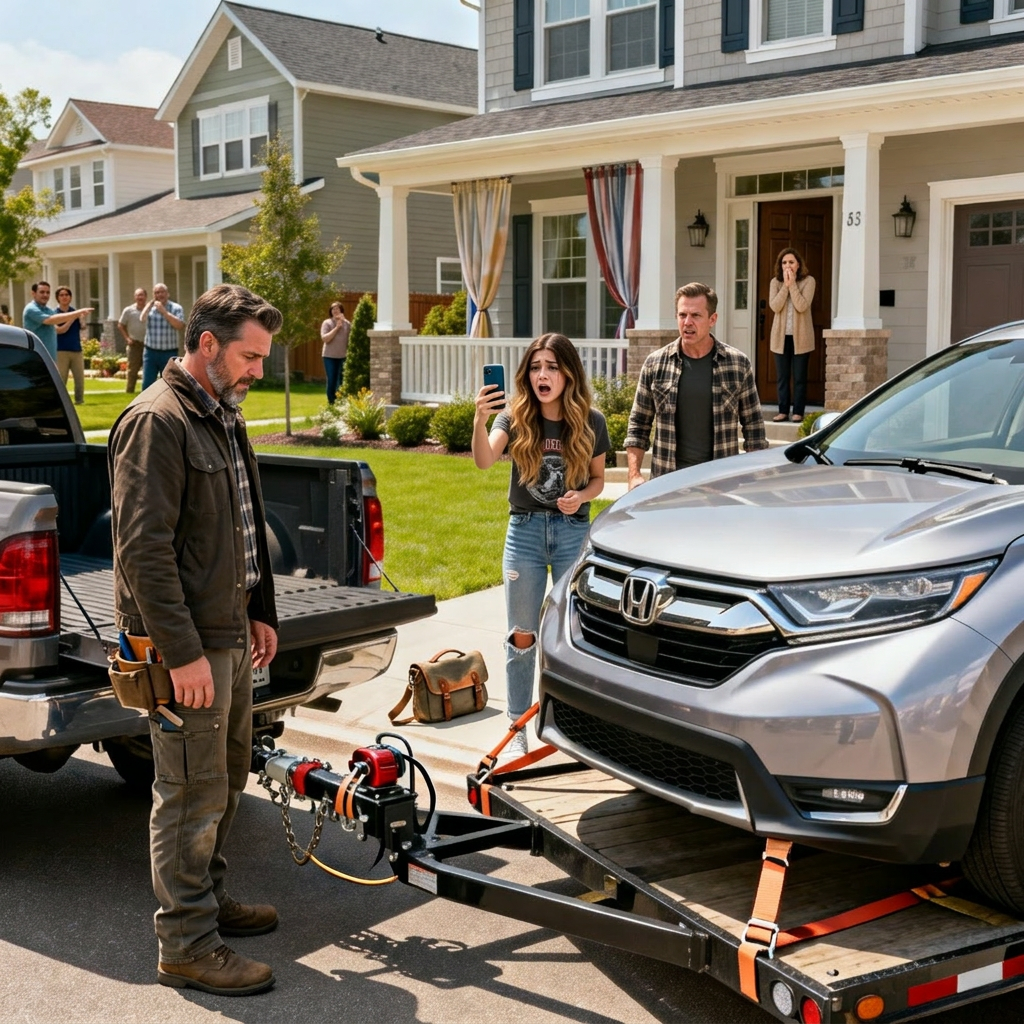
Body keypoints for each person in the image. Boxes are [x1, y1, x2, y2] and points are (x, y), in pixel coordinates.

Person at [108, 283, 284, 996]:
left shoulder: (222, 413)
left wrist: (260, 609)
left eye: (263, 358)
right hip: (187, 643)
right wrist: (181, 654)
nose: (259, 371)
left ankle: (208, 900)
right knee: (189, 791)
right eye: (249, 356)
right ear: (206, 344)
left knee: (228, 776)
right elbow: (143, 550)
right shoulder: (157, 420)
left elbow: (243, 522)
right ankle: (185, 943)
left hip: (229, 628)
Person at [473, 334, 609, 756]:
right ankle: (516, 729)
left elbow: (598, 481)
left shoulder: (592, 421)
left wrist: (580, 496)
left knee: (571, 635)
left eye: (551, 367)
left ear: (568, 373)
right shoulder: (513, 416)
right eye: (535, 367)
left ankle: (572, 726)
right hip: (525, 534)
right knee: (522, 636)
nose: (542, 375)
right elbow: (483, 460)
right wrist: (480, 419)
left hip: (572, 534)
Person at [625, 282, 767, 489]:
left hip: (721, 483)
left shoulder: (737, 364)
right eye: (682, 315)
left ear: (712, 319)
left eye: (696, 315)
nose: (687, 322)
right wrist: (634, 475)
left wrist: (755, 478)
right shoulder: (655, 364)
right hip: (667, 483)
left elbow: (754, 428)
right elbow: (638, 425)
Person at [769, 248, 816, 423]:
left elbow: (802, 306)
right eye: (784, 262)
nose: (787, 265)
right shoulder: (775, 282)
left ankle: (798, 412)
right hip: (780, 338)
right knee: (782, 377)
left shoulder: (809, 281)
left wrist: (793, 284)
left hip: (801, 337)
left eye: (791, 262)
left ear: (798, 265)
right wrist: (785, 286)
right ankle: (782, 411)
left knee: (799, 377)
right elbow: (775, 306)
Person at [22, 281, 93, 362]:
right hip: (36, 358)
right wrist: (77, 313)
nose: (45, 295)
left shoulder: (48, 310)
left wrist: (78, 316)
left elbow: (58, 326)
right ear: (33, 293)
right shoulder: (31, 309)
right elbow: (50, 320)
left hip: (50, 358)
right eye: (42, 292)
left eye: (48, 292)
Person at [140, 282, 185, 390]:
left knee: (169, 385)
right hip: (150, 353)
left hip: (169, 353)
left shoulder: (176, 308)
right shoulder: (150, 308)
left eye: (162, 292)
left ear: (167, 293)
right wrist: (148, 305)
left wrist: (164, 312)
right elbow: (142, 319)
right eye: (157, 293)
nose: (160, 295)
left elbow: (179, 326)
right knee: (147, 384)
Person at [53, 286, 87, 405]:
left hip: (76, 349)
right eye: (61, 295)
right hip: (61, 350)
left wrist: (81, 318)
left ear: (70, 297)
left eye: (67, 295)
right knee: (62, 378)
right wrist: (72, 317)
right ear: (57, 298)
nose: (64, 297)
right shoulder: (54, 314)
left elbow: (83, 327)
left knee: (79, 378)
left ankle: (79, 400)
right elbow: (60, 330)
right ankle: (60, 402)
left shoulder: (75, 312)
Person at [118, 288, 148, 393]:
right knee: (132, 370)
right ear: (135, 297)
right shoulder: (128, 310)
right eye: (138, 295)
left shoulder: (150, 310)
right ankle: (130, 390)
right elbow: (120, 325)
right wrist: (127, 338)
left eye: (142, 295)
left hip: (148, 344)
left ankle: (147, 391)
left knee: (148, 370)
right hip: (134, 344)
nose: (140, 297)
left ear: (146, 297)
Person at [321, 301, 350, 404]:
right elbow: (325, 339)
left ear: (341, 310)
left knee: (341, 381)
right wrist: (337, 327)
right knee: (332, 379)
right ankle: (331, 402)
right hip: (329, 356)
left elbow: (350, 339)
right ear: (331, 311)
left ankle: (340, 402)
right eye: (333, 309)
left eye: (337, 308)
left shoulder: (347, 324)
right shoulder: (327, 323)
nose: (335, 310)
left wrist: (343, 323)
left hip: (343, 356)